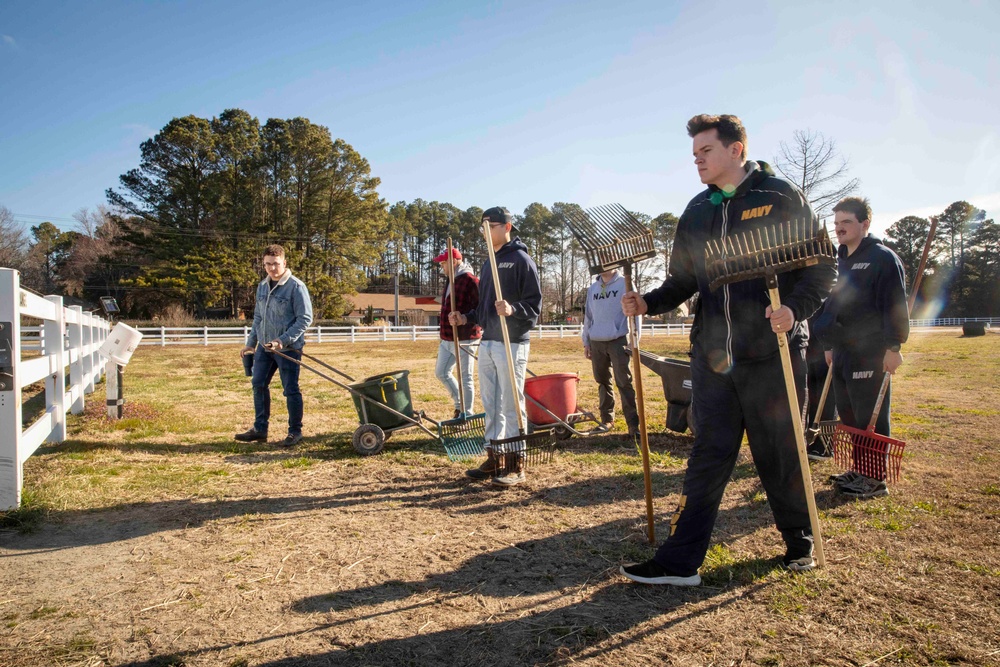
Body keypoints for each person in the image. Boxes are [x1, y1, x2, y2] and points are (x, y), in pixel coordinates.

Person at [619, 114, 835, 585]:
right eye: (694, 154)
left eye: (706, 151)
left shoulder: (780, 197)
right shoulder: (697, 210)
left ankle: (800, 541)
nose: (697, 160)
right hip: (714, 357)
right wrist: (648, 302)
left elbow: (822, 269)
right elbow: (682, 280)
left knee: (779, 451)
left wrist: (794, 311)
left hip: (771, 353)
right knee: (708, 454)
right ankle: (681, 562)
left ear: (736, 150)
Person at [813, 197, 909, 499]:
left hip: (871, 350)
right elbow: (832, 305)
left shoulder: (882, 258)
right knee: (850, 415)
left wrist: (893, 346)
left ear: (865, 224)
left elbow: (894, 304)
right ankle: (859, 469)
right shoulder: (839, 261)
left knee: (871, 416)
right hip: (842, 351)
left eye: (847, 223)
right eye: (836, 223)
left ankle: (875, 479)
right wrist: (829, 344)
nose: (839, 229)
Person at [450, 206, 542, 487]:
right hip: (487, 341)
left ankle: (516, 464)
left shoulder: (521, 259)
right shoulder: (488, 263)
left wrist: (513, 309)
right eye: (483, 228)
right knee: (491, 404)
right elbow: (484, 307)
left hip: (511, 343)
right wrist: (465, 317)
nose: (486, 233)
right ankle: (495, 457)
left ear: (507, 227)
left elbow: (535, 305)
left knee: (512, 404)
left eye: (491, 227)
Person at [236, 244, 314, 448]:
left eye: (276, 264)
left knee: (290, 389)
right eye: (268, 264)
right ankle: (260, 429)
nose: (272, 268)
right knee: (258, 384)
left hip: (288, 348)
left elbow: (305, 319)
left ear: (284, 263)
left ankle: (294, 432)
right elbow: (259, 318)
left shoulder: (296, 287)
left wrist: (282, 340)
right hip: (264, 347)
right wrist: (250, 343)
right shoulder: (262, 286)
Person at [581, 269, 640, 437]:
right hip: (596, 342)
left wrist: (635, 341)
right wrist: (586, 341)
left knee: (624, 382)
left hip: (618, 340)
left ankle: (633, 424)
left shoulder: (625, 284)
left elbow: (635, 313)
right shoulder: (593, 289)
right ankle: (607, 420)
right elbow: (589, 317)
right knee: (602, 381)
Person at [432, 246, 482, 418]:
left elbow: (482, 309)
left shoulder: (471, 280)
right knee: (441, 372)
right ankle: (459, 404)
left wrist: (464, 318)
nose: (442, 267)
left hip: (465, 338)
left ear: (453, 262)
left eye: (443, 263)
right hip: (447, 338)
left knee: (465, 377)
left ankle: (466, 414)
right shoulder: (450, 280)